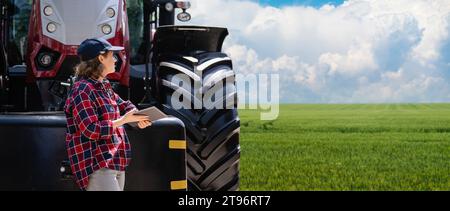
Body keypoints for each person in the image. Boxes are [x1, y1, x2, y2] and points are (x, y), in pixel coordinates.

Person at [64, 38, 151, 191]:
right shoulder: (82, 90)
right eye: (112, 55)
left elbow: (123, 105)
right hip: (97, 165)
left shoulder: (104, 85)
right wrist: (123, 120)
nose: (116, 59)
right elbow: (91, 129)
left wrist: (137, 116)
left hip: (115, 161)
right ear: (101, 58)